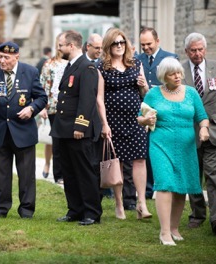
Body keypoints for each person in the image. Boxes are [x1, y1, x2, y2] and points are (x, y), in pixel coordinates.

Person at [138, 57, 209, 245]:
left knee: (180, 188)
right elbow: (140, 117)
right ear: (164, 76)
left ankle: (174, 228)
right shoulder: (154, 94)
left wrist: (203, 128)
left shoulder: (192, 93)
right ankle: (164, 232)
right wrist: (146, 120)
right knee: (165, 184)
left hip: (186, 147)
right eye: (172, 74)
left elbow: (202, 117)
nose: (177, 76)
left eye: (179, 72)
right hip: (160, 145)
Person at [0, 41, 47, 219]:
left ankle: (26, 210)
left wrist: (31, 109)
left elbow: (41, 97)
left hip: (23, 132)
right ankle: (0, 209)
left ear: (17, 57)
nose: (2, 60)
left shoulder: (30, 72)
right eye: (0, 56)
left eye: (6, 57)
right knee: (1, 174)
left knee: (26, 174)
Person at [97, 28, 151, 220]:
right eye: (115, 43)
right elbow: (99, 98)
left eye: (122, 43)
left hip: (135, 119)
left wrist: (144, 84)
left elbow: (145, 93)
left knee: (140, 160)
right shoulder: (102, 67)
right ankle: (119, 203)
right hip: (113, 120)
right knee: (117, 163)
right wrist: (104, 124)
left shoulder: (136, 63)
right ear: (108, 46)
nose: (120, 46)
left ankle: (141, 204)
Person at [51, 30, 103, 226]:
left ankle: (92, 212)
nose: (59, 49)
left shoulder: (86, 67)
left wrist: (80, 125)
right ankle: (75, 209)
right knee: (69, 172)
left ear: (71, 46)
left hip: (78, 130)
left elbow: (87, 99)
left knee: (85, 172)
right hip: (64, 129)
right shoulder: (72, 66)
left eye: (61, 45)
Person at [182, 32, 216, 236]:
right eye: (193, 50)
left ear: (205, 49)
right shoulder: (179, 71)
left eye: (200, 49)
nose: (197, 54)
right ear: (186, 51)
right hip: (190, 134)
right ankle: (197, 214)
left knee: (215, 176)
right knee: (194, 176)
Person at [137, 26, 179, 200]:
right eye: (143, 45)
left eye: (149, 44)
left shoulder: (170, 58)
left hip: (165, 112)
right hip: (144, 112)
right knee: (145, 151)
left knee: (163, 150)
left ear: (157, 41)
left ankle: (165, 185)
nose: (146, 48)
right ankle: (147, 190)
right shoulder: (136, 59)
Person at [38, 33, 68, 184]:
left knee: (68, 142)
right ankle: (59, 175)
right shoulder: (49, 64)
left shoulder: (74, 63)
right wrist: (42, 107)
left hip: (70, 107)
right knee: (57, 142)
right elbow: (42, 86)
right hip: (53, 108)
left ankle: (70, 173)